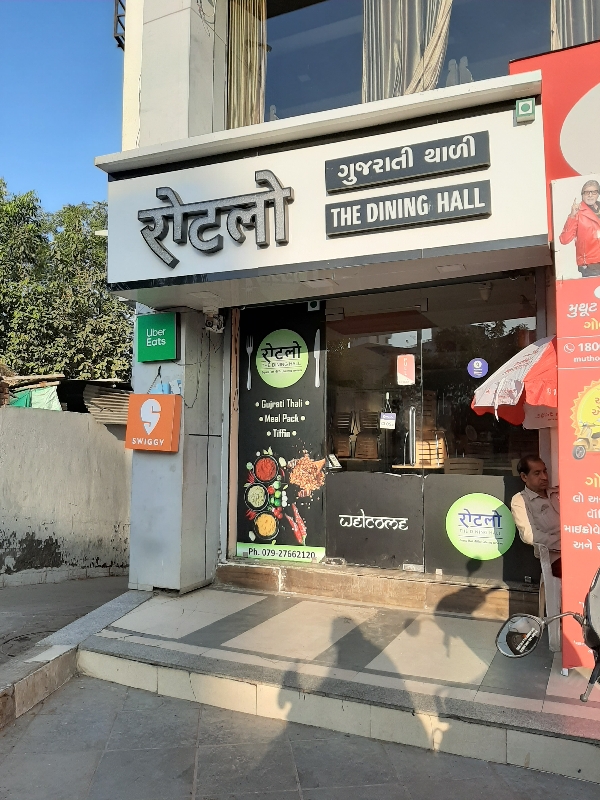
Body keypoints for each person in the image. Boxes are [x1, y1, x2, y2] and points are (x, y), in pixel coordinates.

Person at [511, 455, 561, 578]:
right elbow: (529, 535)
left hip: (580, 546)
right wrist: (564, 544)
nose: (544, 477)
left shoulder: (557, 493)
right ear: (524, 477)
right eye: (537, 473)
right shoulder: (520, 500)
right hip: (555, 557)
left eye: (545, 471)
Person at [559, 179, 600, 277]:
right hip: (591, 265)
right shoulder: (578, 212)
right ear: (582, 195)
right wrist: (572, 215)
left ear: (598, 194)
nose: (590, 195)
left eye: (593, 192)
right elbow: (564, 239)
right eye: (586, 192)